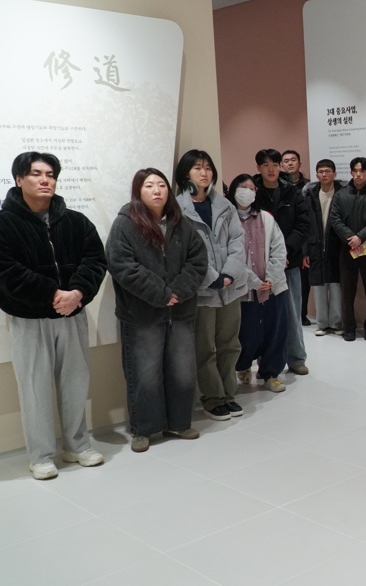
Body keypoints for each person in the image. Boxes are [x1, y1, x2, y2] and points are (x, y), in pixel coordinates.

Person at [0, 152, 108, 479]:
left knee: (75, 383)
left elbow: (95, 260)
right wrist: (53, 294)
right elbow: (6, 273)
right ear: (19, 179)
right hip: (28, 319)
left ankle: (77, 445)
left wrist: (77, 292)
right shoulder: (0, 225)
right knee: (34, 388)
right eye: (36, 174)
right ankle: (40, 455)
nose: (45, 180)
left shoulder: (76, 221)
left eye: (50, 174)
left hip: (72, 315)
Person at [106, 168, 207, 453]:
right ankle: (144, 428)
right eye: (149, 185)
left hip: (181, 312)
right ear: (138, 191)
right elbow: (121, 265)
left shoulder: (180, 222)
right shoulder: (125, 223)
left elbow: (198, 260)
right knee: (144, 374)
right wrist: (161, 294)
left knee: (183, 371)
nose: (157, 190)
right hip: (142, 314)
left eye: (161, 185)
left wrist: (177, 291)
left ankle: (179, 422)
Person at [174, 150, 248, 422]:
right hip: (202, 290)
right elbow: (183, 252)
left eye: (207, 167)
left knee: (230, 344)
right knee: (205, 348)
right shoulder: (178, 209)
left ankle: (229, 394)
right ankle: (213, 397)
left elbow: (238, 242)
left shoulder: (225, 205)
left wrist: (228, 273)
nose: (204, 173)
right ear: (186, 173)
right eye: (197, 168)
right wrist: (211, 277)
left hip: (231, 287)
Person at [228, 174, 290, 393]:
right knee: (247, 332)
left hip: (273, 286)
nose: (247, 191)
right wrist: (253, 281)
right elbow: (231, 256)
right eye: (242, 187)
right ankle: (243, 366)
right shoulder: (227, 220)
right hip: (243, 288)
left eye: (252, 188)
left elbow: (279, 249)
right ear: (233, 190)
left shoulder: (266, 218)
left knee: (275, 331)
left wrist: (270, 278)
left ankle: (270, 373)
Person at [254, 148, 309, 375]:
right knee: (264, 316)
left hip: (290, 262)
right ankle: (264, 362)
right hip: (260, 265)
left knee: (292, 313)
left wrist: (284, 251)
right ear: (259, 168)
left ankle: (296, 358)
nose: (271, 169)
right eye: (266, 165)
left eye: (275, 165)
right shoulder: (253, 193)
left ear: (280, 167)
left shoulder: (292, 192)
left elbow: (303, 225)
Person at [329, 156, 366, 341]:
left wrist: (360, 237)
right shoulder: (340, 195)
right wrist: (350, 238)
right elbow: (335, 219)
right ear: (351, 172)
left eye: (362, 171)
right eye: (355, 171)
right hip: (346, 250)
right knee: (347, 292)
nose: (358, 174)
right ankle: (349, 328)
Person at [303, 159, 346, 336]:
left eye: (328, 171)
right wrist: (305, 251)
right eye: (321, 172)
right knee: (318, 286)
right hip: (315, 245)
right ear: (316, 175)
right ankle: (321, 324)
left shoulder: (342, 193)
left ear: (335, 173)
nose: (324, 174)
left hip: (336, 244)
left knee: (336, 285)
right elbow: (304, 224)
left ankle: (336, 323)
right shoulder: (310, 195)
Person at [282, 149, 312, 326]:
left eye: (293, 160)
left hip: (303, 240)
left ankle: (302, 314)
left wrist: (306, 249)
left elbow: (307, 220)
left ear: (300, 163)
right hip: (285, 242)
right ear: (281, 165)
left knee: (303, 281)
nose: (290, 163)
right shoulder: (279, 188)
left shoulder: (309, 186)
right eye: (286, 161)